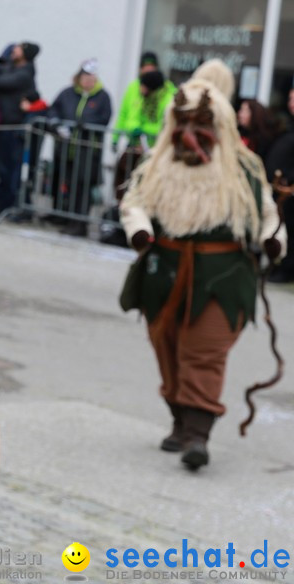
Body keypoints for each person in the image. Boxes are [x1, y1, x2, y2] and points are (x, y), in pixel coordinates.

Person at [119, 59, 286, 470]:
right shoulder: (158, 167)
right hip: (165, 268)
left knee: (204, 351)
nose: (192, 137)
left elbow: (267, 213)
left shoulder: (243, 168)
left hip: (223, 274)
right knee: (168, 347)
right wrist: (139, 230)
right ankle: (179, 420)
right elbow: (134, 203)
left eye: (203, 126)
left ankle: (198, 432)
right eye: (184, 125)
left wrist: (273, 240)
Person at [47, 59, 112, 237]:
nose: (88, 81)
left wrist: (85, 124)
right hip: (67, 150)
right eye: (85, 77)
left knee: (83, 187)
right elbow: (54, 110)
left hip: (88, 152)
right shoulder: (68, 93)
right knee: (68, 184)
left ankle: (80, 223)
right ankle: (67, 219)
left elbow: (104, 119)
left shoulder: (102, 97)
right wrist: (57, 125)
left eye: (92, 77)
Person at [0, 40, 40, 217]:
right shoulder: (12, 68)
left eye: (19, 48)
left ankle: (6, 206)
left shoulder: (25, 73)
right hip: (0, 125)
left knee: (7, 169)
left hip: (11, 128)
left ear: (26, 54)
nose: (14, 50)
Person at [113, 52, 178, 150]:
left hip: (156, 146)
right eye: (145, 66)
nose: (148, 69)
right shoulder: (133, 88)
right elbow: (125, 114)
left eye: (151, 66)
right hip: (135, 143)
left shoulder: (167, 93)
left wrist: (144, 131)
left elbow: (165, 123)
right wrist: (116, 138)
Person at [265, 88, 294, 283]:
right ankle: (278, 266)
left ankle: (286, 270)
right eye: (290, 98)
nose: (291, 102)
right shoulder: (287, 125)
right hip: (281, 190)